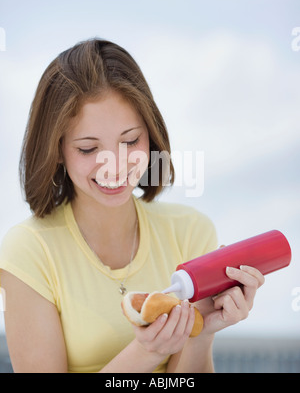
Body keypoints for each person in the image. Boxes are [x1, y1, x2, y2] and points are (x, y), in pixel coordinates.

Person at [0, 39, 264, 373]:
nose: (115, 165)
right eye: (87, 149)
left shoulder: (191, 232)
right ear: (57, 150)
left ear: (151, 136)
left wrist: (201, 330)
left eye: (130, 141)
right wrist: (146, 354)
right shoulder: (28, 251)